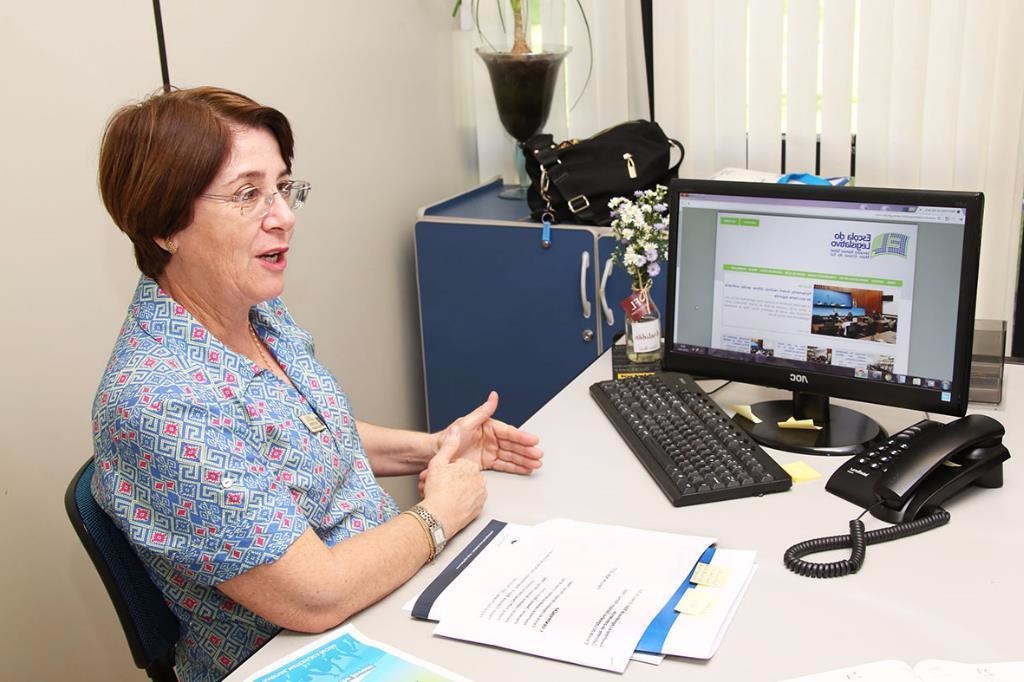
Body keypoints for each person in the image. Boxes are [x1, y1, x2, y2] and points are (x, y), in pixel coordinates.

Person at [90, 86, 544, 682]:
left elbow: (301, 434)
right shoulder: (156, 400)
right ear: (165, 225)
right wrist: (440, 514)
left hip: (387, 598)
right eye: (249, 194)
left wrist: (432, 448)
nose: (283, 215)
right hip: (306, 657)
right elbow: (315, 596)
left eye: (282, 187)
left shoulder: (253, 312)